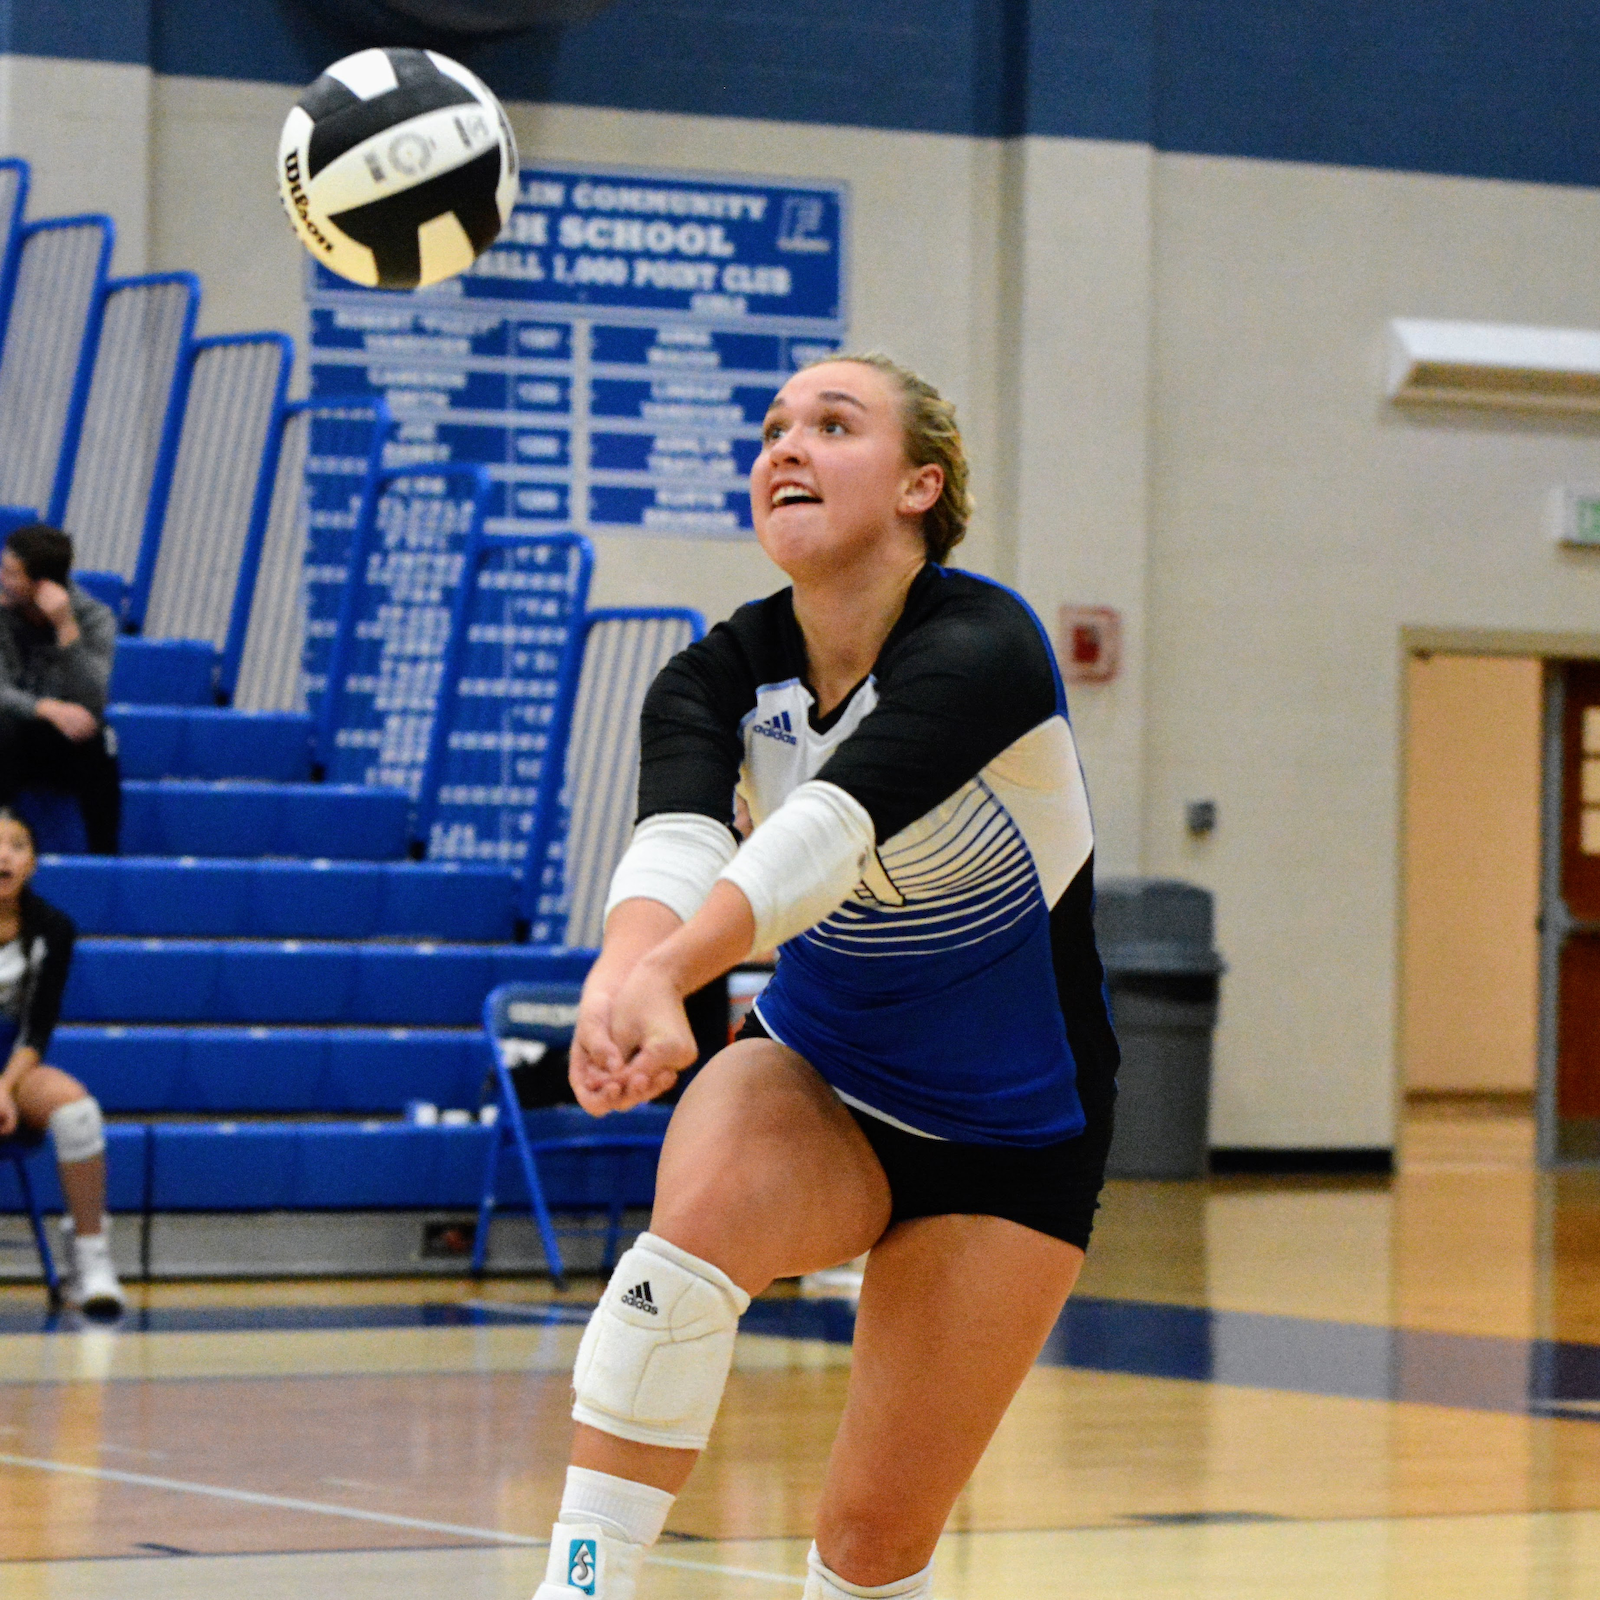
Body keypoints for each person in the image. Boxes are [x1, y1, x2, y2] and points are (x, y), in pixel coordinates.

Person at [530, 353, 1119, 1600]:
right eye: (772, 429)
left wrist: (673, 969)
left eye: (833, 425)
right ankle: (579, 1586)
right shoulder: (713, 674)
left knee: (869, 1548)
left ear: (920, 485)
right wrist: (622, 980)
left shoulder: (986, 647)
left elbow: (822, 838)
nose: (785, 446)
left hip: (1015, 1136)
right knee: (673, 1269)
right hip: (821, 1074)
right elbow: (677, 842)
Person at [0, 807, 124, 1316]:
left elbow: (38, 1028)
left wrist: (4, 1088)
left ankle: (90, 1262)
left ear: (33, 863)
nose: (3, 856)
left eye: (17, 845)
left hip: (12, 1068)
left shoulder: (54, 928)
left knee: (78, 1113)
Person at [0, 523, 121, 855]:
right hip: (9, 735)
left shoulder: (93, 618)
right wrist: (46, 708)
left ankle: (104, 858)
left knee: (102, 739)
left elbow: (94, 700)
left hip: (56, 743)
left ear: (42, 585)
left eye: (11, 574)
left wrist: (66, 628)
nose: (2, 579)